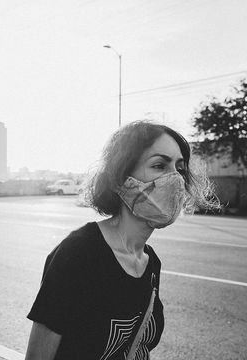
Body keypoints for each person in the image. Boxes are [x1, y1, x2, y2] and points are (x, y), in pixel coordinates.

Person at [25, 121, 219, 360]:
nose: (176, 179)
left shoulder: (150, 262)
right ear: (120, 178)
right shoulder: (78, 253)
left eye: (180, 168)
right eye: (159, 165)